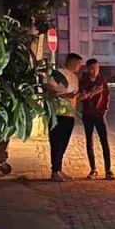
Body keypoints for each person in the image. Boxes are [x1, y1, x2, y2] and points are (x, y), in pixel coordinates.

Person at [46, 52, 84, 182]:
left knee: (63, 144)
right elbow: (49, 92)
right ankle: (54, 171)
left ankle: (59, 169)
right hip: (57, 114)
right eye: (79, 63)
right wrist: (65, 96)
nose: (80, 66)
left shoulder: (74, 77)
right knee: (56, 143)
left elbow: (73, 96)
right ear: (72, 62)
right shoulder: (58, 74)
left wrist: (81, 96)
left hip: (69, 114)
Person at [79, 58, 114, 180]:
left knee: (104, 141)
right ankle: (93, 169)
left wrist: (104, 110)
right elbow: (82, 96)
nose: (95, 71)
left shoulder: (102, 80)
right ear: (88, 68)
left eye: (97, 68)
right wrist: (91, 92)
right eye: (92, 68)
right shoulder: (83, 80)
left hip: (99, 115)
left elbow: (107, 97)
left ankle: (108, 170)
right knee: (89, 141)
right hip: (87, 114)